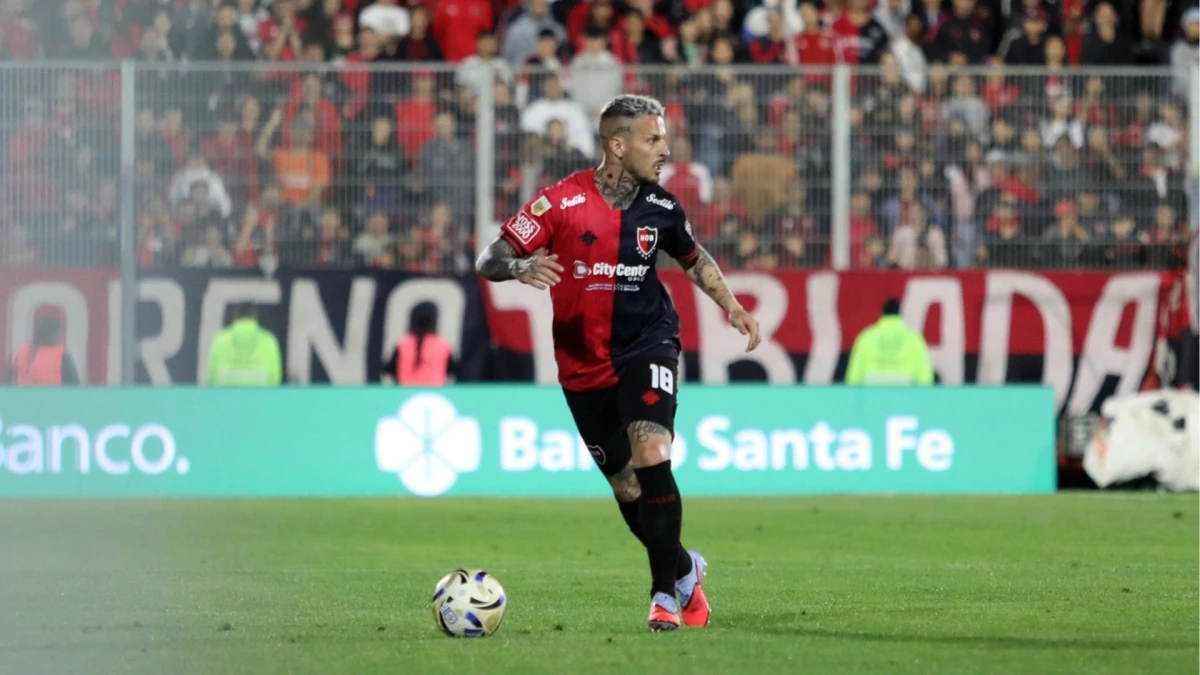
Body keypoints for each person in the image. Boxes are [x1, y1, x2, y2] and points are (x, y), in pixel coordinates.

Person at [475, 94, 762, 632]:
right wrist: (520, 266)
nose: (665, 150)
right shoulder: (559, 203)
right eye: (653, 139)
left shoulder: (663, 209)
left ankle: (662, 599)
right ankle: (681, 569)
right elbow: (488, 258)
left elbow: (694, 260)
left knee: (652, 448)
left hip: (648, 343)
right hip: (581, 364)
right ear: (617, 143)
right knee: (628, 489)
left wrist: (732, 306)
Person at [844, 298, 934, 385]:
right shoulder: (914, 338)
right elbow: (924, 377)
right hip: (904, 390)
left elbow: (854, 375)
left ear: (883, 312)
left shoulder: (867, 336)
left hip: (872, 389)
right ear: (900, 313)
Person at [206, 303, 283, 386]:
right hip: (260, 397)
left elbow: (212, 378)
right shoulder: (269, 341)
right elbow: (276, 379)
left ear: (235, 317)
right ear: (255, 317)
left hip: (225, 397)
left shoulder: (219, 341)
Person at [381, 302, 457, 386]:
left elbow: (389, 369)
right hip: (435, 394)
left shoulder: (403, 344)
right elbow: (453, 370)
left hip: (405, 394)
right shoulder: (442, 345)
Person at [4, 315, 81, 386]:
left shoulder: (21, 352)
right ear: (55, 334)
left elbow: (7, 381)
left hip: (23, 398)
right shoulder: (61, 355)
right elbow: (74, 385)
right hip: (53, 398)